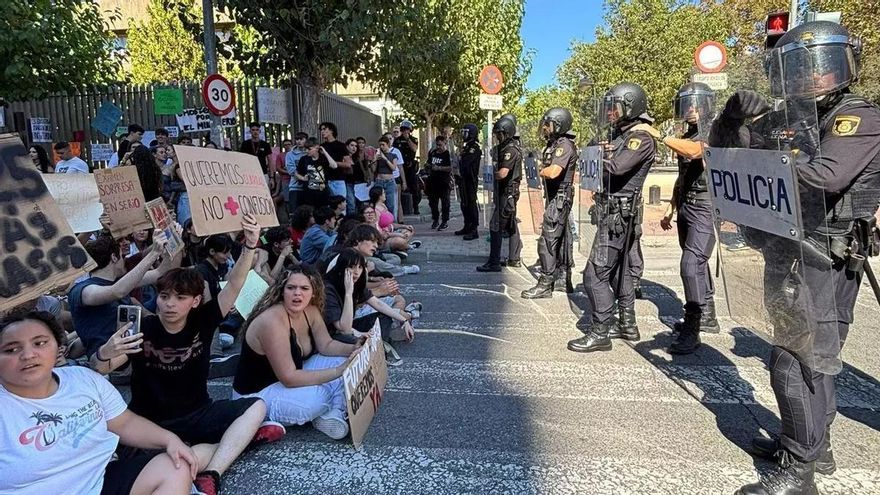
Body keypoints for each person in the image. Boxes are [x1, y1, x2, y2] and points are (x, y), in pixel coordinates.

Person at [711, 22, 880, 495]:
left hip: (826, 254)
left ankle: (798, 473)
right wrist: (731, 117)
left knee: (795, 360)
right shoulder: (789, 119)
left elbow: (826, 176)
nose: (807, 75)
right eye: (796, 66)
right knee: (814, 359)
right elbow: (727, 155)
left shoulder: (856, 116)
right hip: (786, 248)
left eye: (814, 64)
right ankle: (810, 445)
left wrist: (768, 159)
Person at [94, 214, 284, 495]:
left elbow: (235, 284)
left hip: (197, 413)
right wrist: (104, 353)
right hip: (148, 424)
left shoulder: (203, 320)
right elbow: (101, 368)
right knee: (153, 462)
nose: (170, 304)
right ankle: (231, 445)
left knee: (256, 407)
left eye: (180, 298)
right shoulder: (142, 327)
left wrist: (250, 245)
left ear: (195, 301)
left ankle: (211, 473)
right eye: (165, 296)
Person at [0, 311, 200, 495]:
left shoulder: (83, 378)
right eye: (11, 349)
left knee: (176, 465)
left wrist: (169, 439)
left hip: (98, 480)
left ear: (58, 348)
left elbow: (123, 423)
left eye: (40, 343)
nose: (28, 355)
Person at [568, 83, 657, 352]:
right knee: (621, 273)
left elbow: (616, 168)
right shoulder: (623, 136)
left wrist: (592, 157)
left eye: (615, 107)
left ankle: (600, 331)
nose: (610, 113)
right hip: (616, 213)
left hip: (619, 215)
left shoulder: (639, 138)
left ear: (631, 106)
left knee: (594, 274)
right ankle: (627, 324)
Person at [231, 266, 364, 440]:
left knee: (343, 359)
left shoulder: (311, 310)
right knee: (318, 396)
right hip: (256, 395)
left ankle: (331, 414)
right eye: (291, 288)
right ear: (281, 291)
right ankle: (324, 409)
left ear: (314, 292)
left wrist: (354, 348)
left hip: (287, 377)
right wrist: (339, 371)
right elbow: (289, 378)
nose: (297, 294)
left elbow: (326, 345)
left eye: (304, 288)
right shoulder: (272, 322)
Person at [658, 82, 721, 355]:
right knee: (697, 262)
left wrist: (659, 136)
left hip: (705, 207)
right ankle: (707, 314)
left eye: (696, 104)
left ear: (708, 104)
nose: (691, 109)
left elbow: (695, 152)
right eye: (686, 105)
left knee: (690, 263)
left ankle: (693, 328)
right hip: (686, 204)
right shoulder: (690, 133)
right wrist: (671, 206)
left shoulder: (716, 131)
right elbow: (683, 174)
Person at [68, 232, 179, 357]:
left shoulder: (119, 281)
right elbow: (117, 292)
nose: (124, 260)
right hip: (107, 366)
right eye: (121, 256)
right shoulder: (83, 290)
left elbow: (160, 272)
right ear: (114, 257)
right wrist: (153, 253)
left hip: (132, 357)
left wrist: (174, 240)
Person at [521, 108, 578, 298]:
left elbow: (553, 171)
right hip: (556, 197)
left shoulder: (564, 145)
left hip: (560, 198)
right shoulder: (554, 144)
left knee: (548, 240)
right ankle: (562, 279)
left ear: (559, 124)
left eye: (548, 124)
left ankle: (546, 282)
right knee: (561, 240)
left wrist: (540, 170)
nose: (545, 128)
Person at [320, 249, 415, 343]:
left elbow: (377, 303)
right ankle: (382, 345)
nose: (356, 272)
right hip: (333, 333)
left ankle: (382, 345)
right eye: (352, 267)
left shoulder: (357, 282)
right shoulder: (329, 289)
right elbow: (344, 329)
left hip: (350, 325)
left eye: (360, 267)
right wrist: (348, 293)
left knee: (385, 317)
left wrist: (404, 321)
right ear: (341, 268)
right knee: (353, 340)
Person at [478, 114, 523, 272]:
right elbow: (492, 152)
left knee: (495, 226)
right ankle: (514, 258)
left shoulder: (511, 149)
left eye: (499, 134)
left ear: (507, 133)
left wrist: (490, 174)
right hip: (505, 193)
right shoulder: (505, 147)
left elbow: (503, 173)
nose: (497, 137)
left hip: (507, 193)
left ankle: (494, 262)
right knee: (511, 226)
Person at [455, 124, 481, 240]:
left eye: (465, 132)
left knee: (471, 203)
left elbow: (466, 163)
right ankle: (467, 225)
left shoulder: (474, 148)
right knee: (464, 203)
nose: (463, 135)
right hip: (463, 179)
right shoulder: (466, 147)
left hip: (470, 179)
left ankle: (474, 229)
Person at [295, 138, 338, 208]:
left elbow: (334, 166)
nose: (307, 151)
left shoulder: (323, 158)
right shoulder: (304, 159)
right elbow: (296, 173)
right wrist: (303, 178)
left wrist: (325, 152)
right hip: (308, 194)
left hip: (323, 193)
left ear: (317, 148)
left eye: (309, 149)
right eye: (306, 149)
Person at [425, 135, 453, 231]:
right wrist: (428, 166)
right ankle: (435, 219)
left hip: (444, 181)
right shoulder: (432, 153)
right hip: (432, 181)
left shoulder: (447, 154)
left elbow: (451, 167)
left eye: (440, 145)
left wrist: (439, 168)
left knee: (445, 202)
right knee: (433, 203)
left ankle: (444, 221)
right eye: (437, 145)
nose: (438, 147)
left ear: (445, 143)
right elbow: (428, 163)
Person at [319, 122, 353, 200]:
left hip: (338, 180)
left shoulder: (341, 146)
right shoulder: (322, 147)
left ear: (331, 131)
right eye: (321, 130)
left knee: (340, 204)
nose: (322, 132)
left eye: (324, 129)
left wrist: (334, 163)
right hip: (325, 181)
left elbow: (348, 164)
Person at [393, 120, 420, 214]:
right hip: (401, 166)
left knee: (414, 187)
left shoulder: (414, 139)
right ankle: (401, 208)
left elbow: (414, 148)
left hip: (411, 166)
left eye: (407, 130)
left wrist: (408, 139)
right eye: (403, 130)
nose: (405, 131)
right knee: (400, 187)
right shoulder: (397, 140)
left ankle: (416, 207)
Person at [374, 136, 400, 218]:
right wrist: (374, 159)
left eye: (383, 145)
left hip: (389, 182)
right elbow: (373, 169)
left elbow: (393, 168)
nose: (381, 147)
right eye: (380, 145)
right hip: (379, 180)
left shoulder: (393, 155)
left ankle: (391, 222)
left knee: (391, 204)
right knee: (377, 203)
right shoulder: (378, 156)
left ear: (388, 144)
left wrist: (385, 159)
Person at [285, 132, 309, 216]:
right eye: (297, 139)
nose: (299, 141)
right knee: (294, 213)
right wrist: (302, 178)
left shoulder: (309, 153)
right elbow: (291, 170)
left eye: (301, 139)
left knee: (306, 214)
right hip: (295, 187)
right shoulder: (290, 154)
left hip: (308, 188)